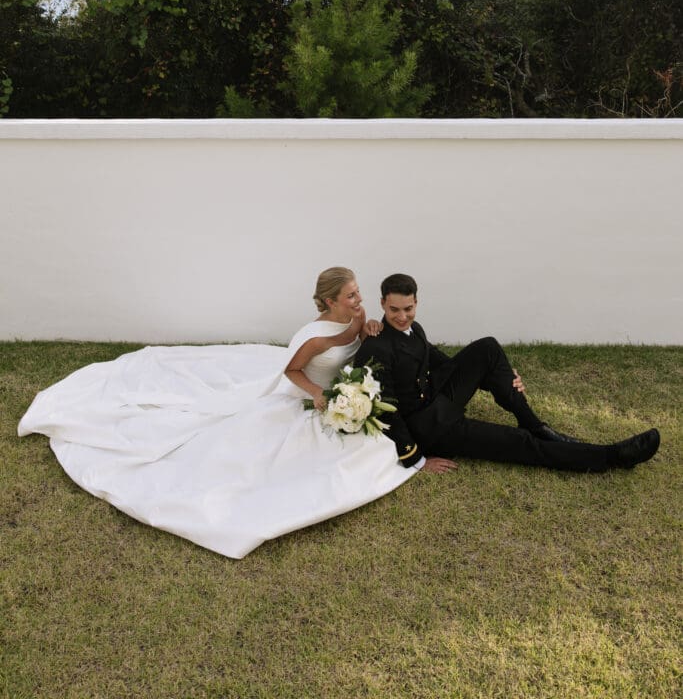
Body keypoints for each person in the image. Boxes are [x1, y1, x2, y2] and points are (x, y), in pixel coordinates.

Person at [18, 267, 417, 559]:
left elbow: (358, 343)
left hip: (338, 389)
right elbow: (291, 371)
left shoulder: (361, 317)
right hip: (304, 397)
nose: (358, 301)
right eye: (350, 296)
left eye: (358, 293)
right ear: (330, 302)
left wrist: (368, 332)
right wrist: (317, 394)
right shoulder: (312, 339)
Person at [354, 273, 661, 474]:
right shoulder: (377, 346)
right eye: (394, 310)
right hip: (430, 427)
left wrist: (493, 374)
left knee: (487, 348)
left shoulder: (414, 328)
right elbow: (388, 410)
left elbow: (440, 361)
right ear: (382, 303)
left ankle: (534, 422)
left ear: (416, 302)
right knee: (518, 443)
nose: (402, 316)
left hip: (438, 397)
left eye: (408, 308)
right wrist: (416, 460)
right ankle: (611, 456)